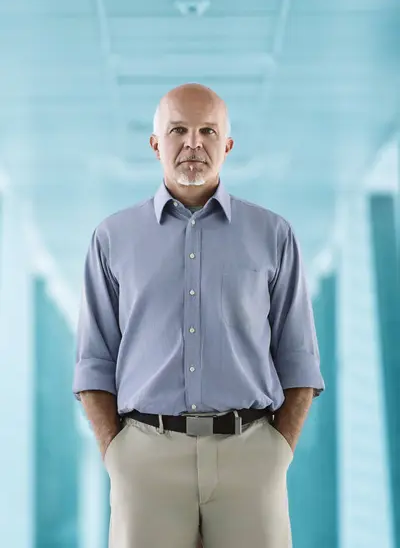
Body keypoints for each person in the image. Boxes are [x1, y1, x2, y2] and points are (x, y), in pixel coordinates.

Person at [73, 83, 325, 548]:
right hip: (145, 458)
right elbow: (94, 360)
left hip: (250, 457)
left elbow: (299, 357)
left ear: (226, 145)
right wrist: (117, 454)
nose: (194, 144)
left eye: (208, 131)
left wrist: (277, 452)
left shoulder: (273, 234)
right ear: (155, 144)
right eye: (178, 131)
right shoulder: (112, 238)